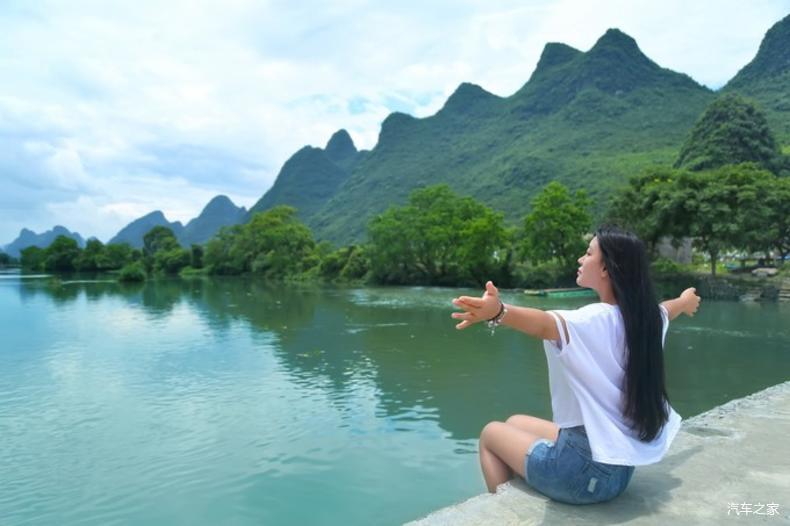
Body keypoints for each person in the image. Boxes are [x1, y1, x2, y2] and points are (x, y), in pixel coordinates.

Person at [450, 226, 701, 504]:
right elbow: (668, 308)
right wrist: (686, 301)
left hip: (578, 478)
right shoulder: (646, 319)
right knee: (514, 422)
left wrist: (498, 312)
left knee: (490, 434)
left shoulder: (592, 320)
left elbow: (543, 324)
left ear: (606, 269)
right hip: (618, 473)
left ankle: (507, 511)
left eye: (589, 253)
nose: (581, 259)